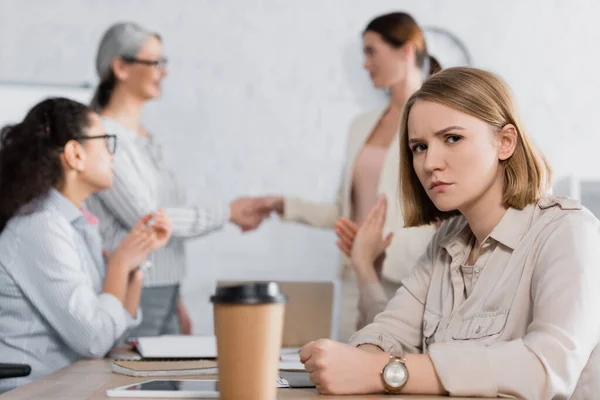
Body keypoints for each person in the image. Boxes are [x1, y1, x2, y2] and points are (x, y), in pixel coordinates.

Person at [298, 67, 600, 398]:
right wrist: (357, 361)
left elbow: (545, 368)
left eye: (452, 138)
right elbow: (389, 330)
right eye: (419, 147)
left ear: (505, 142)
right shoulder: (445, 242)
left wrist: (380, 371)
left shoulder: (568, 232)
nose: (429, 164)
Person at [260, 12, 441, 340]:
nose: (364, 63)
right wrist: (280, 204)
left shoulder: (437, 122)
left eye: (371, 51)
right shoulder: (362, 125)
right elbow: (345, 211)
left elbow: (443, 209)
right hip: (353, 274)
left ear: (406, 50)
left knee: (399, 375)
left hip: (408, 278)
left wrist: (383, 247)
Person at [86, 22, 270, 336]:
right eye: (155, 62)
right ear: (120, 67)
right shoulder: (103, 138)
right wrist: (227, 212)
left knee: (167, 383)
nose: (164, 71)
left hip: (164, 292)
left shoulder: (146, 139)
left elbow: (162, 229)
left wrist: (176, 299)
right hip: (131, 291)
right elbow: (150, 219)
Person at [0, 98, 171, 391]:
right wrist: (119, 264)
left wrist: (134, 264)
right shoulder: (40, 228)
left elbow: (114, 330)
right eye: (106, 143)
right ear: (75, 154)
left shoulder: (78, 225)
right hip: (34, 391)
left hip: (70, 385)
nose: (112, 156)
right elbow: (94, 339)